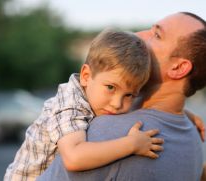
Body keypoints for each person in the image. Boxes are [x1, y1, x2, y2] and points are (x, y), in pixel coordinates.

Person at [36, 12, 206, 181]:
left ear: (178, 68)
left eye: (156, 35)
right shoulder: (194, 138)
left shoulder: (107, 133)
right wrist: (186, 114)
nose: (138, 35)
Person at [4, 30, 165, 181]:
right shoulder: (70, 104)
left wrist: (184, 114)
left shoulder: (97, 96)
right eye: (110, 87)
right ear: (86, 76)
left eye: (129, 95)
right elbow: (74, 158)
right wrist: (132, 145)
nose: (117, 104)